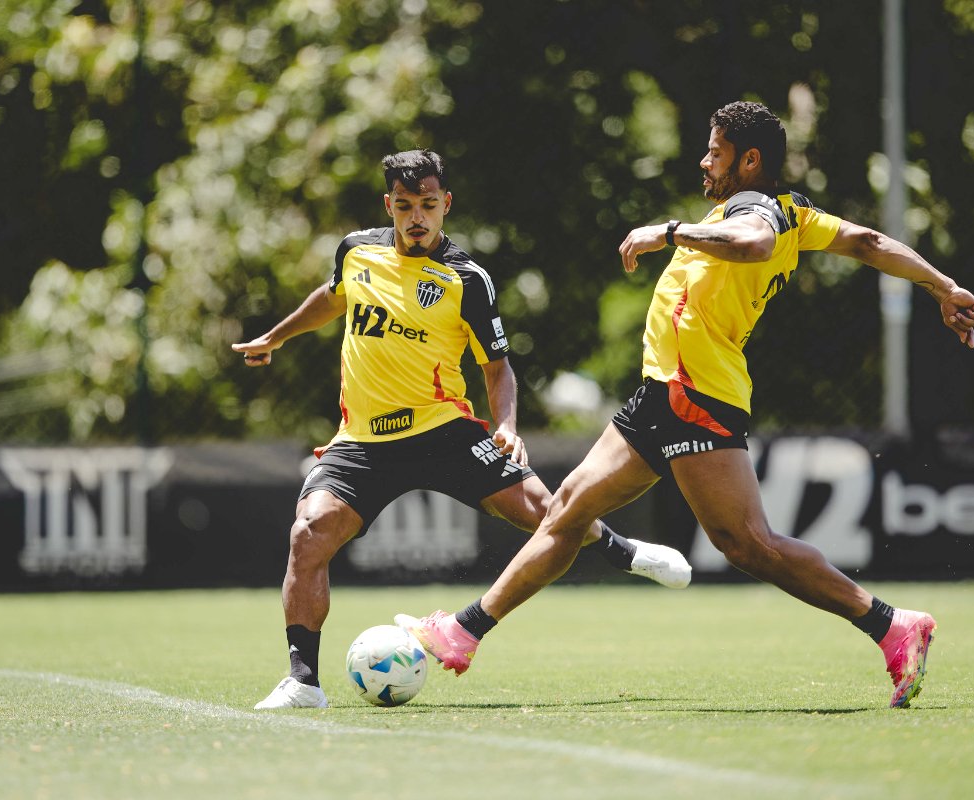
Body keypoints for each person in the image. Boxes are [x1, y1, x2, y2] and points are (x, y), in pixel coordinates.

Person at [398, 102, 974, 709]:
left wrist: (670, 231)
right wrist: (943, 287)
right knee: (568, 508)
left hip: (695, 395)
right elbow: (867, 240)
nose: (705, 161)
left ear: (749, 160)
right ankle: (462, 632)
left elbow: (754, 244)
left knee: (747, 544)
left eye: (715, 151)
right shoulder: (794, 212)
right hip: (664, 392)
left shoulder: (753, 212)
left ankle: (891, 626)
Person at [232, 149, 692, 710]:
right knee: (308, 534)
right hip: (364, 442)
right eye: (405, 206)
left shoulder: (467, 279)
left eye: (428, 205)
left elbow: (497, 367)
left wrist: (507, 425)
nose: (417, 217)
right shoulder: (357, 251)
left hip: (443, 431)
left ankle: (622, 551)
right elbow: (332, 297)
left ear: (445, 204)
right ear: (389, 206)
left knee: (547, 513)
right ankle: (303, 682)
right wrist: (276, 337)